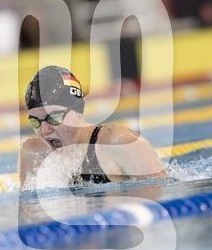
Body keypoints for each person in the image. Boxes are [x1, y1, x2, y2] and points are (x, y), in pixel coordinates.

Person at [18, 66, 166, 188]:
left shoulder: (119, 143)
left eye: (54, 117)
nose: (44, 130)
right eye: (35, 122)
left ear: (77, 110)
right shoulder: (33, 154)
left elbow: (160, 201)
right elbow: (30, 209)